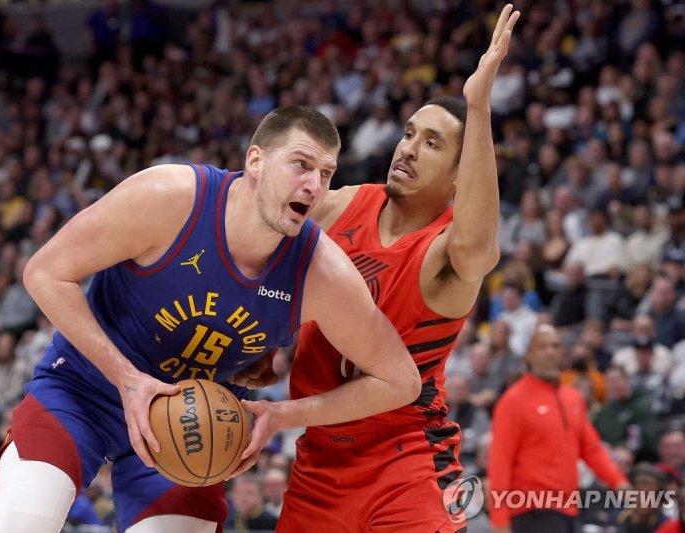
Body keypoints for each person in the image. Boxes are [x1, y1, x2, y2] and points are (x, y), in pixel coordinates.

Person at [0, 105, 421, 533]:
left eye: (325, 174)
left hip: (192, 427)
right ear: (256, 160)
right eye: (301, 165)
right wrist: (127, 379)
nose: (313, 185)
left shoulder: (322, 272)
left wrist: (284, 414)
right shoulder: (169, 197)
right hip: (84, 391)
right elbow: (44, 272)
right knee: (22, 523)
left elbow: (400, 380)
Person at [241, 6, 519, 531]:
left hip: (408, 461)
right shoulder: (339, 207)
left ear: (461, 175)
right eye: (409, 133)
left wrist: (477, 105)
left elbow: (480, 244)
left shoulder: (447, 256)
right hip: (319, 463)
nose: (408, 149)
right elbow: (262, 250)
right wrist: (265, 340)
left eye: (431, 144)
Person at [488, 325, 630, 533]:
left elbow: (591, 449)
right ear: (529, 355)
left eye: (555, 346)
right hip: (530, 511)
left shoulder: (572, 398)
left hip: (568, 509)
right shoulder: (513, 401)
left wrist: (618, 482)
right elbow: (500, 461)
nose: (550, 352)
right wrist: (499, 522)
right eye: (542, 346)